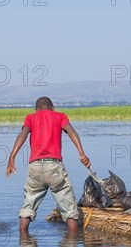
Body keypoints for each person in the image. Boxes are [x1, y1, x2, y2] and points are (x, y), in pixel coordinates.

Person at [6, 97, 90, 233]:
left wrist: (12, 156)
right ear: (52, 107)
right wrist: (82, 153)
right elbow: (71, 132)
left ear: (36, 109)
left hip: (35, 167)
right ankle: (72, 243)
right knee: (70, 210)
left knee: (28, 207)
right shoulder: (60, 116)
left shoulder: (31, 118)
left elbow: (23, 134)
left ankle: (23, 241)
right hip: (54, 167)